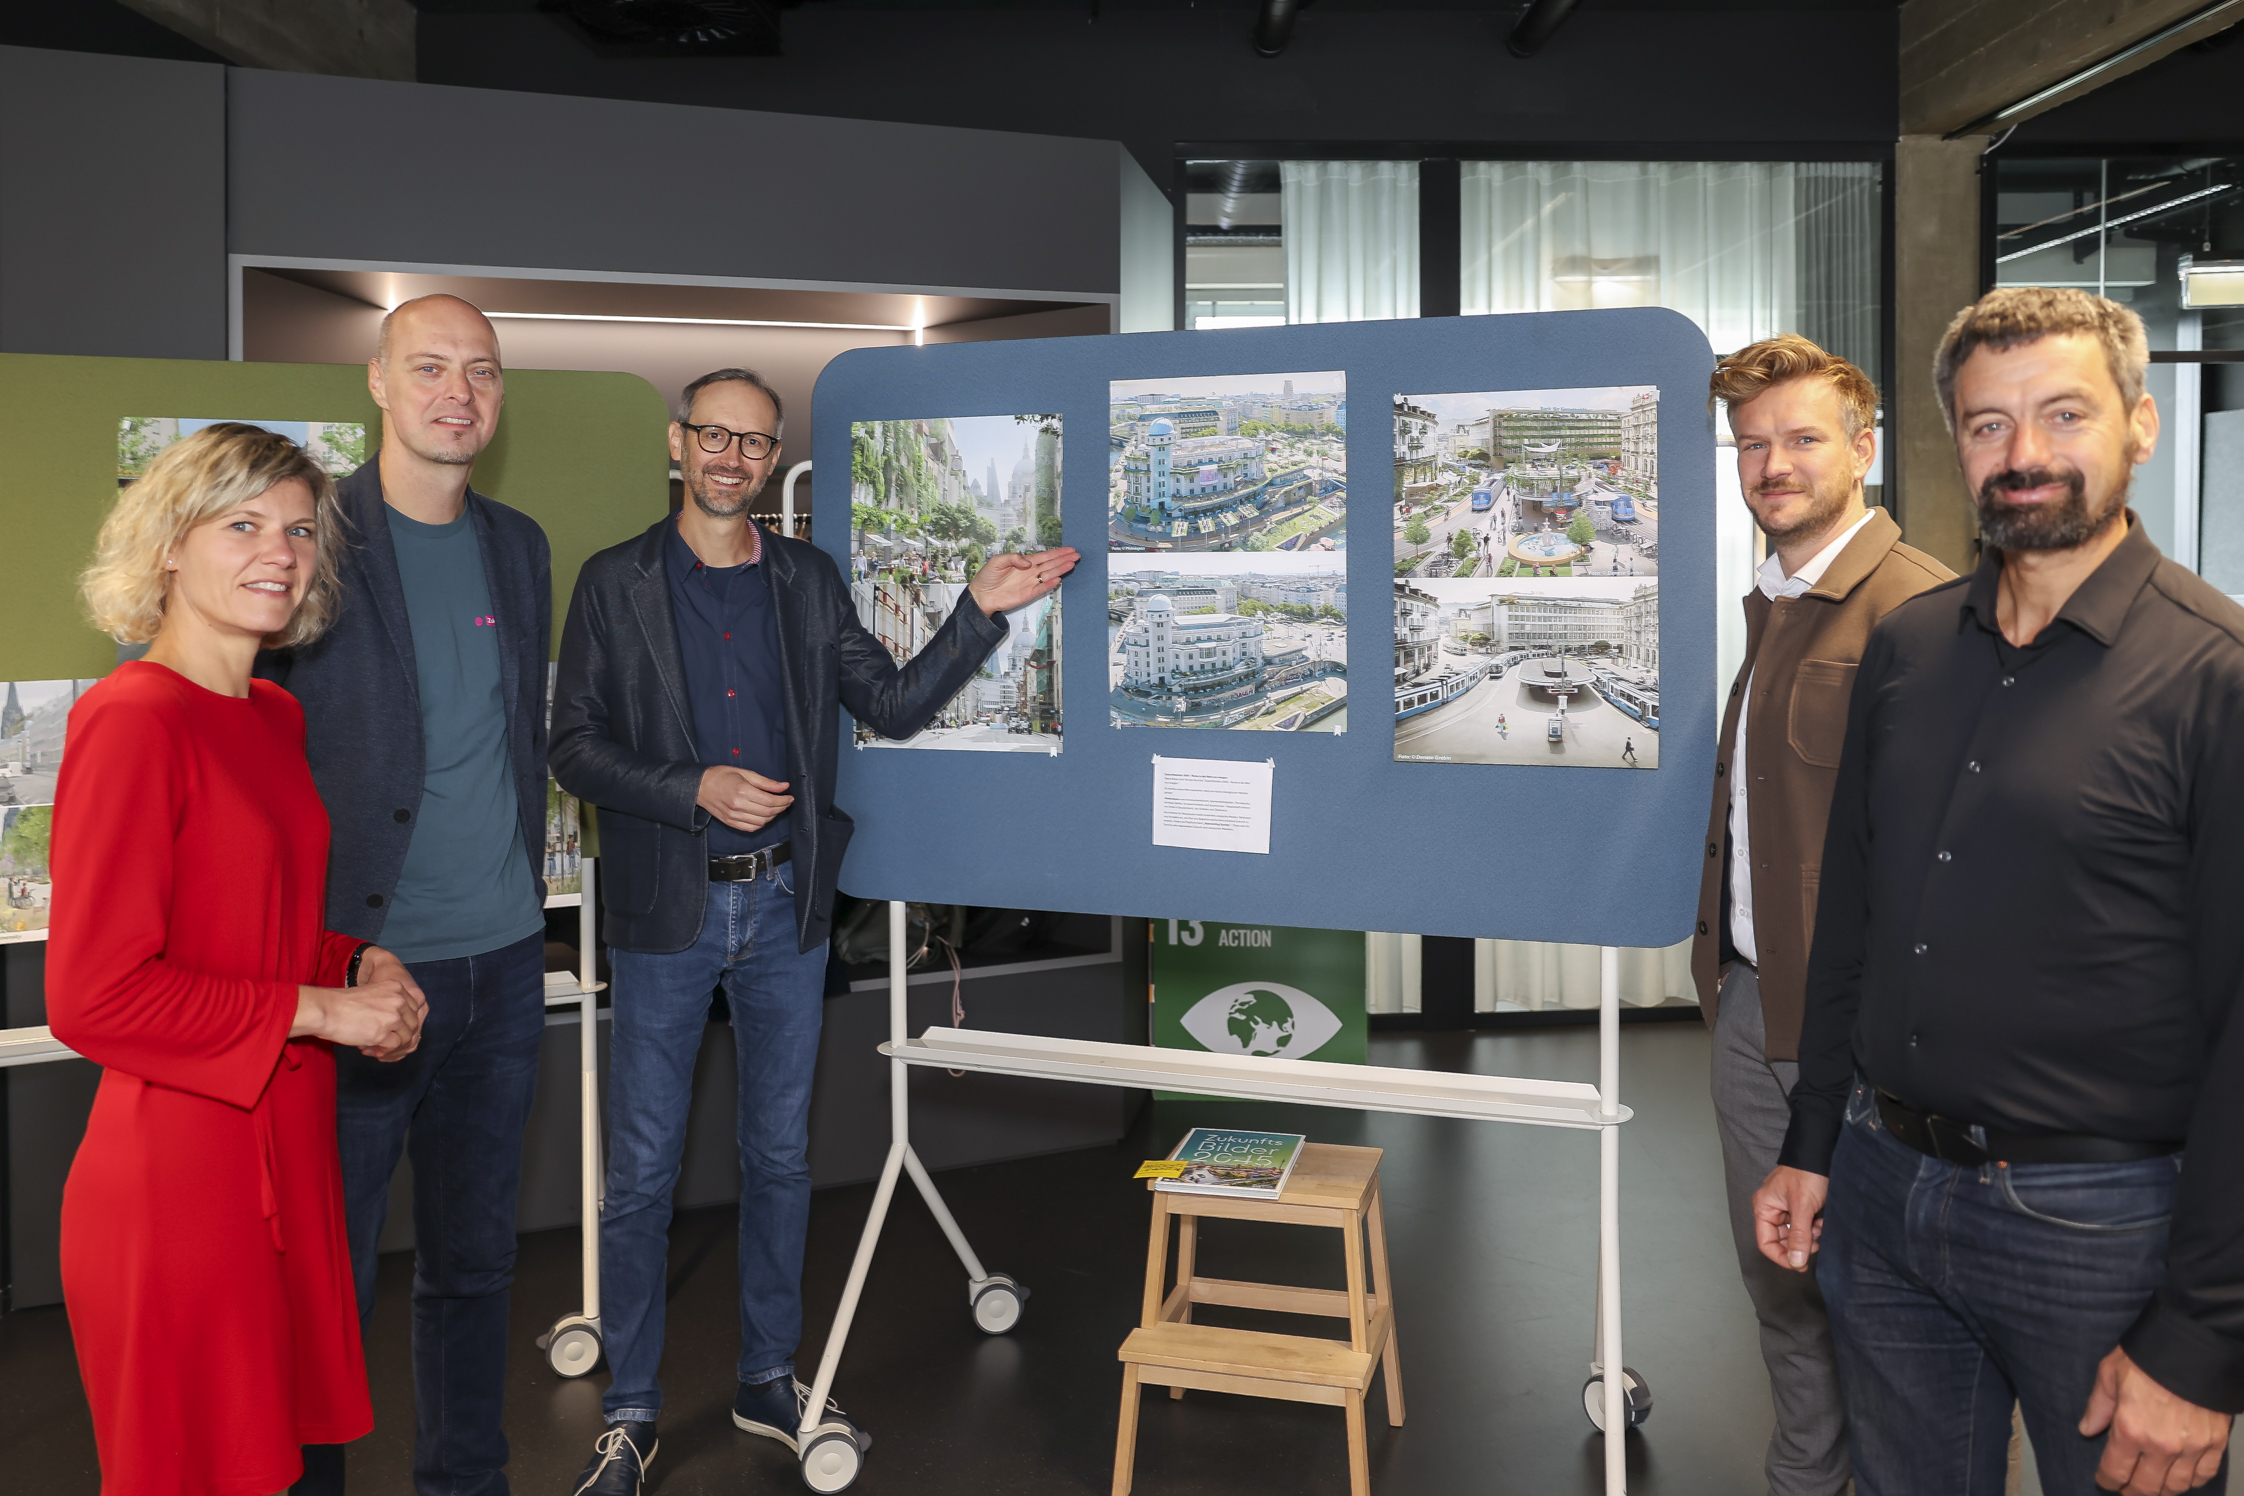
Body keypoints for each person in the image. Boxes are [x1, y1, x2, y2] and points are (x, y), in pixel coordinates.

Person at [550, 368, 1078, 1495]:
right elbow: (574, 747)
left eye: (756, 441)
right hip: (666, 911)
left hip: (787, 906)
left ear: (772, 453)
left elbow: (891, 703)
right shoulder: (613, 581)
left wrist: (980, 608)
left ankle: (766, 1379)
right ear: (678, 444)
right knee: (640, 1175)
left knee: (780, 1160)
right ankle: (632, 1411)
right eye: (715, 436)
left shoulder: (807, 577)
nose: (734, 458)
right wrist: (693, 786)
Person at [1755, 287, 2244, 1495]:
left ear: (2141, 425)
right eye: (1988, 424)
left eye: (2063, 413)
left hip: (2103, 1228)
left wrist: (2203, 1335)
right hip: (1883, 1191)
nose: (2024, 452)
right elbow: (1853, 919)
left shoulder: (2216, 676)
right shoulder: (1909, 648)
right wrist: (1814, 1140)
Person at [49, 424, 428, 1495]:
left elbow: (253, 927)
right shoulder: (132, 719)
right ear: (170, 544)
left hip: (286, 1152)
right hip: (182, 1184)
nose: (281, 552)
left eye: (300, 531)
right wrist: (322, 1011)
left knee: (295, 1467)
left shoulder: (271, 713)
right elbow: (94, 994)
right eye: (243, 524)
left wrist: (357, 963)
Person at [259, 294, 554, 1495]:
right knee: (325, 1277)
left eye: (481, 371)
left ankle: (466, 1479)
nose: (457, 392)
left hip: (506, 963)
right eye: (429, 367)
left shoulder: (519, 544)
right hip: (355, 970)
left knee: (476, 1265)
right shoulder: (308, 535)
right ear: (377, 382)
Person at [1689, 335, 1953, 1496]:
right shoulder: (1778, 601)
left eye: (1802, 438)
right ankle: (1807, 1471)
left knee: (1894, 1301)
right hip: (1756, 1005)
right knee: (1783, 1280)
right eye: (1752, 444)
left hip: (1865, 1029)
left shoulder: (1921, 608)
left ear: (1864, 447)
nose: (1774, 465)